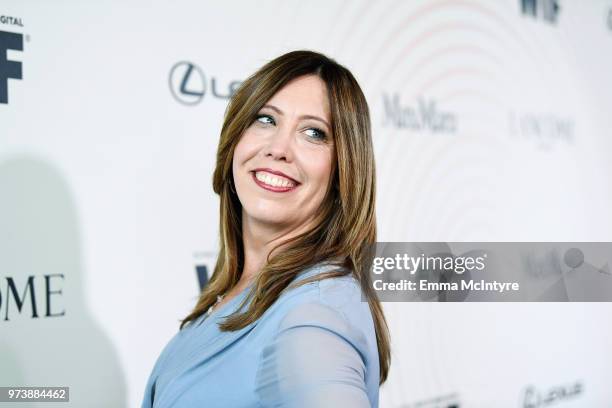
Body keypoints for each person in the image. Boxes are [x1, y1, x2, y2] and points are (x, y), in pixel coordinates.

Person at [141, 49, 391, 407]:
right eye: (266, 119)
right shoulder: (247, 288)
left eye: (313, 132)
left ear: (343, 172)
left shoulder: (312, 320)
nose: (278, 149)